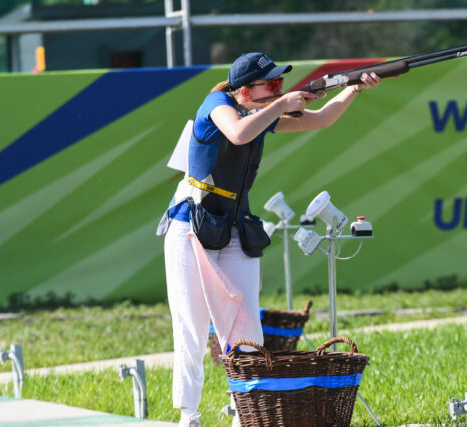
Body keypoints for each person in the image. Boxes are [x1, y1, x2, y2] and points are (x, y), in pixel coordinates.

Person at [156, 52, 381, 427]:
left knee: (247, 328)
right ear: (244, 90)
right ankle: (188, 415)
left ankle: (245, 415)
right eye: (271, 84)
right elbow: (238, 132)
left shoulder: (262, 110)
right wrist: (282, 104)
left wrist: (354, 88)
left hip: (232, 224)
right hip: (190, 225)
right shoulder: (217, 104)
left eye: (279, 84)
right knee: (191, 326)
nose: (279, 89)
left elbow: (323, 119)